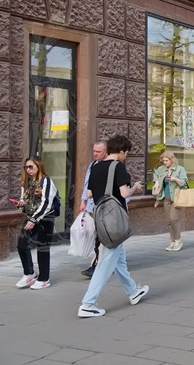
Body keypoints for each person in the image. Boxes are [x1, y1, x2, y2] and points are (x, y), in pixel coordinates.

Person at [78, 135, 148, 318]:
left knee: (119, 260)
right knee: (105, 263)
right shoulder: (118, 167)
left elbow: (90, 193)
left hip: (100, 218)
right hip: (114, 222)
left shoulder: (96, 167)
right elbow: (124, 193)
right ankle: (88, 304)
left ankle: (133, 291)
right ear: (122, 151)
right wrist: (135, 188)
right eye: (126, 153)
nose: (126, 156)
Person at [13, 158, 57, 290]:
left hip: (45, 218)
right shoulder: (26, 182)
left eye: (31, 167)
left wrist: (34, 220)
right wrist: (21, 205)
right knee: (22, 245)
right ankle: (30, 273)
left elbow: (46, 203)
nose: (28, 170)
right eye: (26, 167)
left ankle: (44, 279)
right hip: (31, 216)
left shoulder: (46, 181)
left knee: (42, 248)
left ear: (38, 166)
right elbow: (25, 201)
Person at [78, 141, 107, 278]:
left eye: (98, 151)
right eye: (94, 151)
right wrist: (83, 201)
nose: (95, 154)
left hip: (105, 206)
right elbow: (87, 184)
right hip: (92, 205)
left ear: (106, 151)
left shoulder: (110, 166)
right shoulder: (93, 164)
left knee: (102, 236)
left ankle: (96, 265)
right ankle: (106, 264)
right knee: (97, 235)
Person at [153, 151, 189, 251]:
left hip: (177, 197)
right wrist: (156, 181)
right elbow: (155, 173)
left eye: (166, 161)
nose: (165, 162)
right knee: (169, 220)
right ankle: (172, 242)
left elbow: (185, 182)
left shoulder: (180, 169)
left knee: (173, 219)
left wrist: (175, 179)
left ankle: (178, 240)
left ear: (172, 160)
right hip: (166, 198)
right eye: (163, 161)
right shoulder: (162, 169)